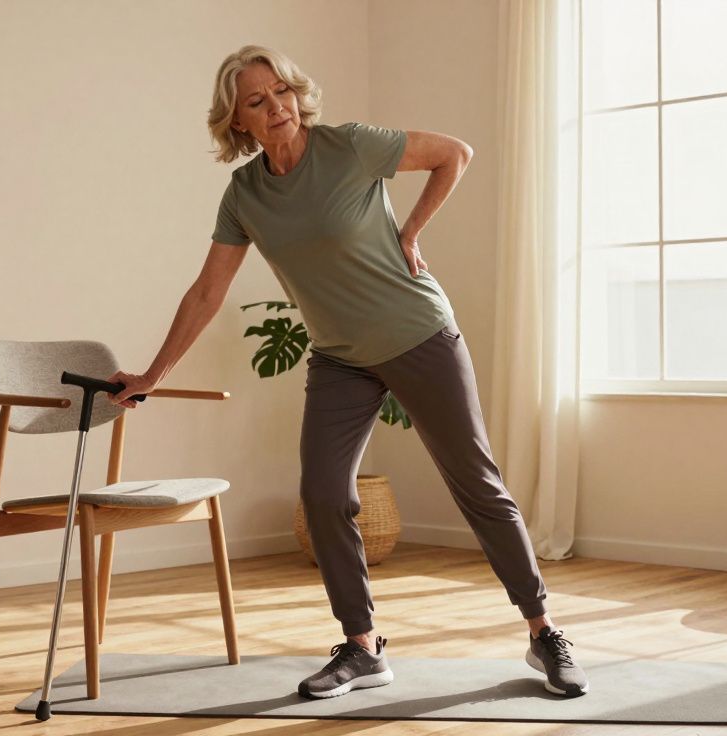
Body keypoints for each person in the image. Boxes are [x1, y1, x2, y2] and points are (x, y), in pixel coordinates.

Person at [107, 44, 588, 699]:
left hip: (419, 335)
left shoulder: (350, 146)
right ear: (237, 121)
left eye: (280, 91)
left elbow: (454, 153)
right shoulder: (245, 193)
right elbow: (206, 293)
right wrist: (153, 374)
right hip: (341, 358)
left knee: (477, 485)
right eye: (256, 100)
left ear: (295, 93)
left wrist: (411, 231)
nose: (275, 106)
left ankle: (543, 632)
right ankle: (362, 648)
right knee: (324, 493)